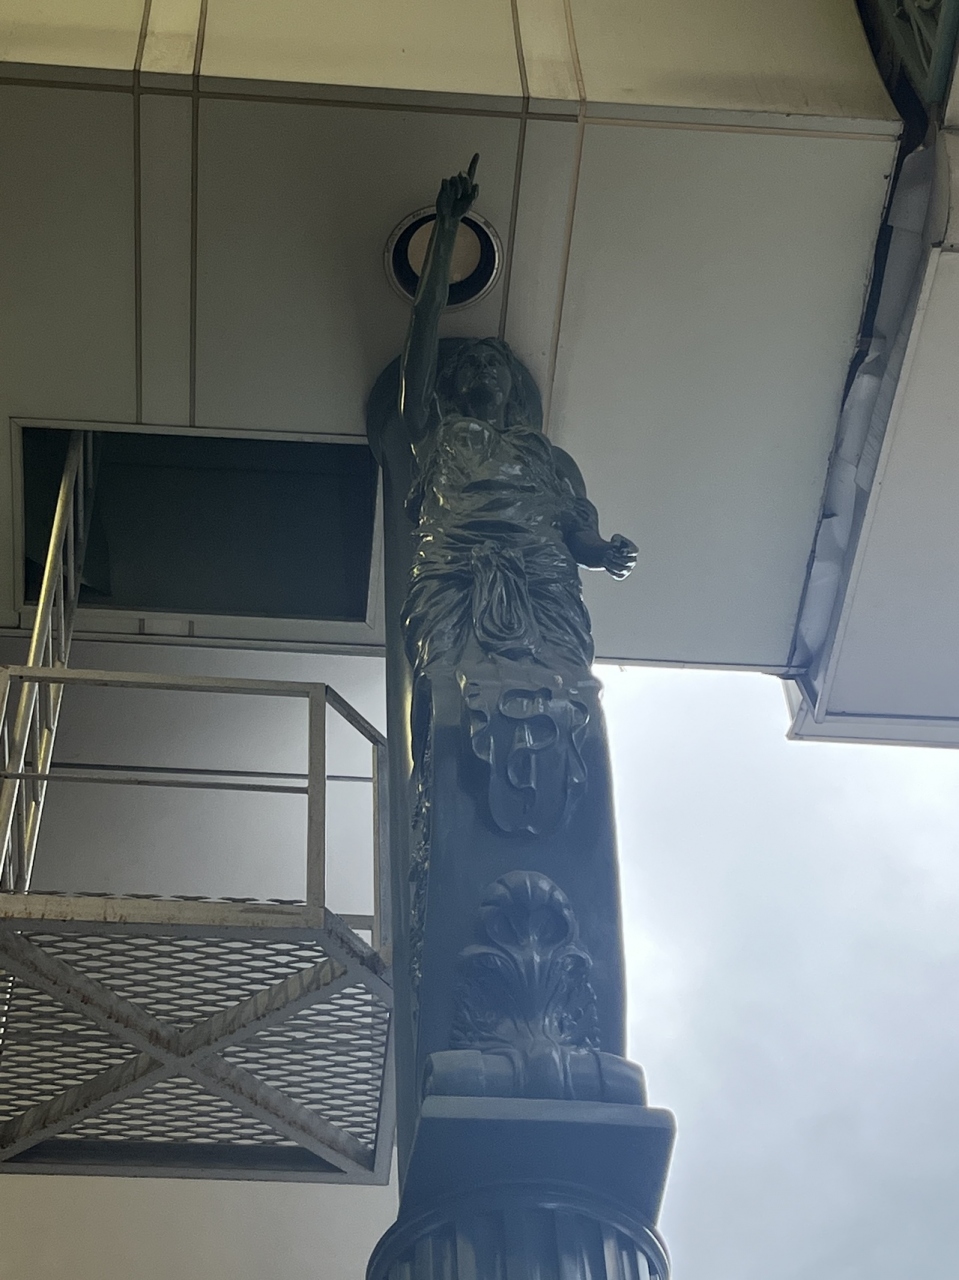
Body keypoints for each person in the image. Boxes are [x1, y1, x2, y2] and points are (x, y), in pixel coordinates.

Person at [398, 156, 636, 684]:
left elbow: (580, 532)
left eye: (494, 364)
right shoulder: (434, 433)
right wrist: (445, 231)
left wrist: (607, 554)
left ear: (512, 385)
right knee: (443, 683)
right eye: (471, 365)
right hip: (453, 567)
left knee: (570, 686)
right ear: (452, 386)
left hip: (542, 572)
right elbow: (424, 321)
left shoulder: (553, 459)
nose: (484, 369)